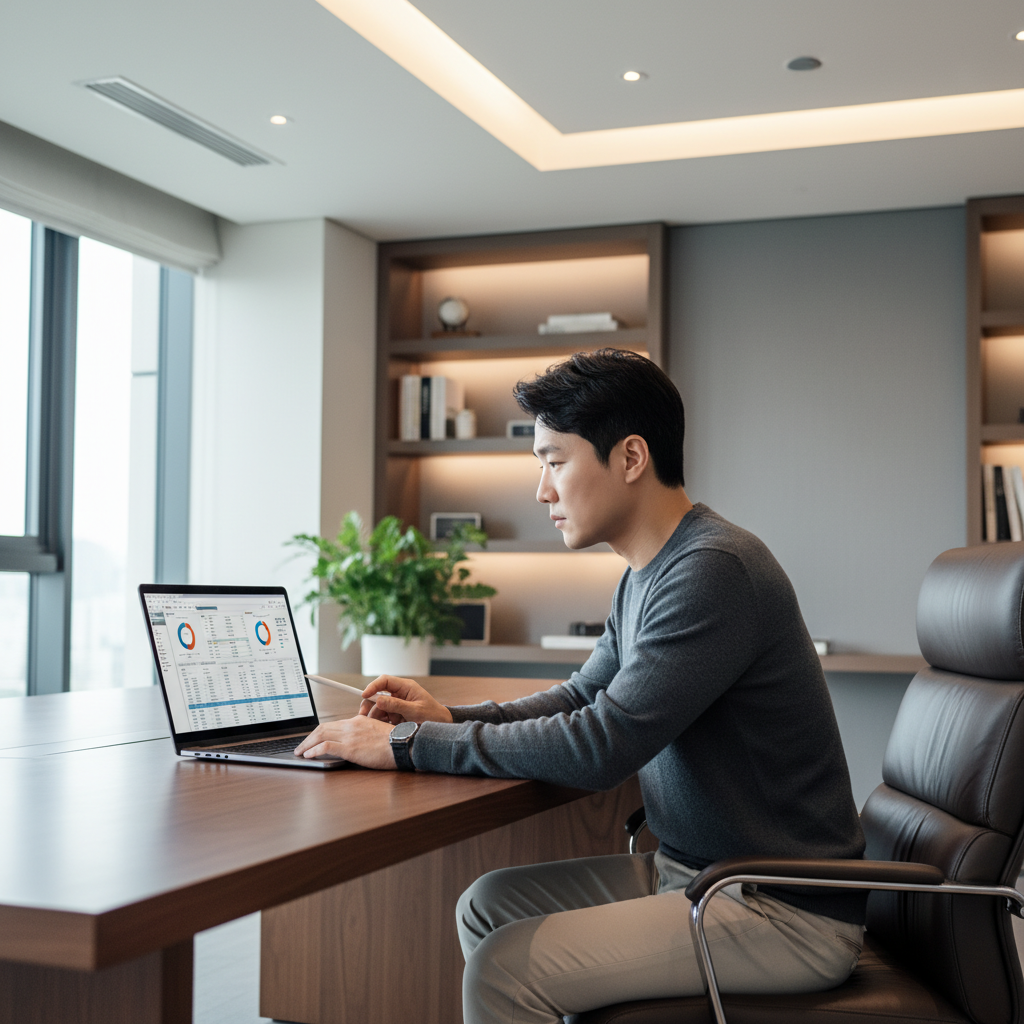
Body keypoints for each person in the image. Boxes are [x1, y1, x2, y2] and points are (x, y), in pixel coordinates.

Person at [295, 348, 866, 1024]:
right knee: (486, 904)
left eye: (555, 462)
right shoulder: (646, 574)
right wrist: (448, 713)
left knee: (504, 974)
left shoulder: (712, 571)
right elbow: (579, 698)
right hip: (693, 875)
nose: (542, 491)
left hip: (777, 908)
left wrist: (411, 744)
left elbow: (601, 745)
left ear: (629, 458)